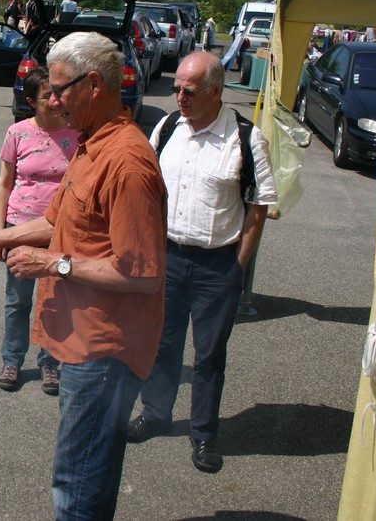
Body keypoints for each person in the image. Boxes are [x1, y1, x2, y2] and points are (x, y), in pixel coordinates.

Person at [0, 31, 168, 521]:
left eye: (58, 90)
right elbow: (54, 222)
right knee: (80, 474)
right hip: (79, 344)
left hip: (103, 353)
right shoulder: (90, 143)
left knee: (79, 483)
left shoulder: (126, 162)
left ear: (93, 84)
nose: (51, 101)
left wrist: (53, 264)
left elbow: (141, 275)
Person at [126, 51, 277, 475]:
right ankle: (156, 414)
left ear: (216, 91)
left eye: (189, 91)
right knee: (163, 343)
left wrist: (238, 267)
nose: (180, 97)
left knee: (209, 355)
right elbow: (146, 185)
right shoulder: (168, 128)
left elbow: (259, 206)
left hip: (217, 265)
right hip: (168, 258)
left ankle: (204, 433)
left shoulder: (245, 138)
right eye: (176, 89)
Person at [0, 67, 80, 396]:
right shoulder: (17, 133)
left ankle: (50, 362)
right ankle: (12, 360)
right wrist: (0, 233)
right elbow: (4, 184)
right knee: (17, 301)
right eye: (48, 96)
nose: (57, 101)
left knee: (54, 300)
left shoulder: (76, 133)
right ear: (31, 101)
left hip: (61, 231)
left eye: (58, 94)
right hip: (21, 227)